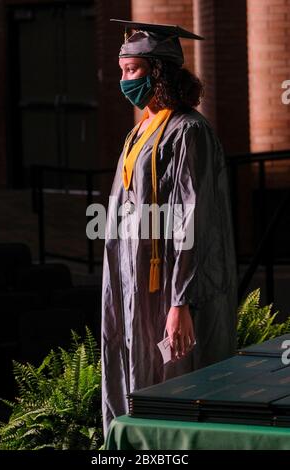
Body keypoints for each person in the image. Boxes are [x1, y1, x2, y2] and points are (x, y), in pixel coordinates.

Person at [101, 19, 238, 437]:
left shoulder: (188, 131)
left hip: (169, 291)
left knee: (172, 383)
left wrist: (182, 302)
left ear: (158, 71)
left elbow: (193, 220)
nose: (124, 80)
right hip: (132, 283)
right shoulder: (140, 130)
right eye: (122, 70)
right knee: (130, 372)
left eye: (133, 70)